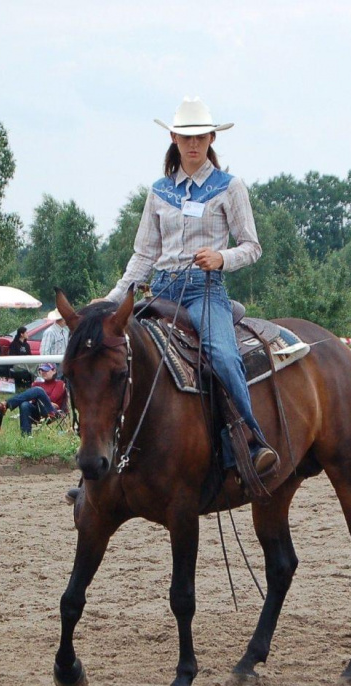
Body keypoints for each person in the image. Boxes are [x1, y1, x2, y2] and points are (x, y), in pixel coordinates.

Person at [104, 95, 276, 475]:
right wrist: (113, 301)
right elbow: (144, 256)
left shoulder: (229, 187)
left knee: (223, 354)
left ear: (212, 138)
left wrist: (221, 258)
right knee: (112, 358)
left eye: (200, 137)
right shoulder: (158, 192)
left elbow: (252, 247)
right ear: (173, 139)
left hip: (204, 291)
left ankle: (249, 439)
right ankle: (102, 461)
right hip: (159, 291)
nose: (193, 144)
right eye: (185, 137)